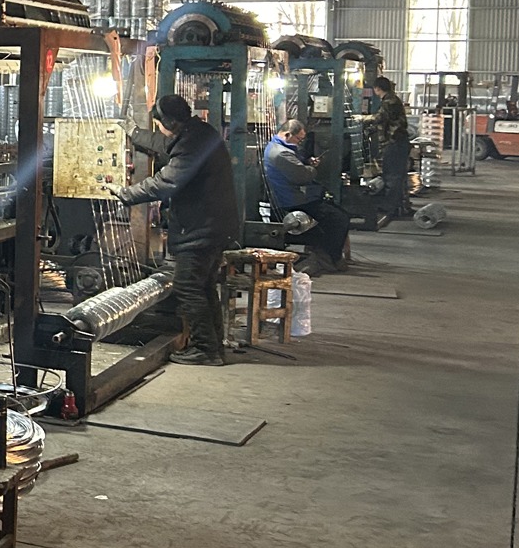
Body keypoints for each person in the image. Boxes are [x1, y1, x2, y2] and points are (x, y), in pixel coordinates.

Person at [111, 94, 240, 366]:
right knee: (203, 287)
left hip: (202, 227)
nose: (159, 130)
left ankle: (205, 349)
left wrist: (126, 194)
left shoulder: (192, 144)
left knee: (188, 286)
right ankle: (213, 347)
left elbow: (166, 182)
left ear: (169, 121)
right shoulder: (197, 133)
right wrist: (134, 133)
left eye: (159, 124)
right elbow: (165, 143)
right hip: (213, 225)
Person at [263, 119, 350, 276]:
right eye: (299, 139)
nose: (300, 143)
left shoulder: (278, 147)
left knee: (337, 212)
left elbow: (295, 165)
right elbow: (302, 176)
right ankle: (330, 259)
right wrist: (311, 169)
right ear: (288, 134)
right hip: (291, 202)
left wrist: (306, 162)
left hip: (294, 197)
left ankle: (324, 253)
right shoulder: (281, 153)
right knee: (339, 219)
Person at [367, 76, 412, 217]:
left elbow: (379, 118)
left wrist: (361, 119)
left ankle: (391, 209)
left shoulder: (389, 101)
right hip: (398, 143)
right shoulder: (391, 100)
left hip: (395, 144)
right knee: (398, 176)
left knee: (392, 176)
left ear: (377, 89)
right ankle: (402, 207)